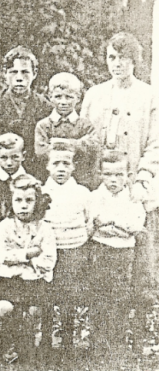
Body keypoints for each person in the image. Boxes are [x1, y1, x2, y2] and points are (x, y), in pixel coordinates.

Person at [80, 32, 159, 335]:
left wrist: (143, 179)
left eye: (123, 58)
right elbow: (85, 138)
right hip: (102, 187)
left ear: (134, 61)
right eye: (112, 57)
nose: (117, 64)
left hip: (137, 188)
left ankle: (136, 334)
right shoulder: (95, 94)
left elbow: (155, 143)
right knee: (102, 265)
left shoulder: (149, 96)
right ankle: (101, 333)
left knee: (140, 268)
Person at [0, 175, 56, 364]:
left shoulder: (45, 229)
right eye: (18, 200)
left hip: (35, 281)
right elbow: (4, 257)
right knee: (4, 308)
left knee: (34, 311)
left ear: (38, 202)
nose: (24, 205)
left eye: (29, 200)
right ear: (10, 202)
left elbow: (48, 261)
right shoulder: (4, 227)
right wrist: (30, 254)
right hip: (10, 282)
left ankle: (27, 347)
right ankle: (7, 344)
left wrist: (23, 260)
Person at [85, 152, 147, 353]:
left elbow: (134, 226)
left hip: (124, 253)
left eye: (119, 175)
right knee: (98, 296)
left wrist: (111, 222)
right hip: (100, 249)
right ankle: (97, 344)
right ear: (100, 174)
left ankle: (117, 343)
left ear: (128, 175)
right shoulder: (93, 197)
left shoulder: (133, 199)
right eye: (108, 174)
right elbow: (92, 226)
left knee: (120, 297)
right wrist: (116, 226)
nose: (113, 180)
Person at [40, 141, 90, 353]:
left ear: (73, 167)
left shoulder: (82, 192)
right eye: (56, 163)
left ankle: (68, 341)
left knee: (69, 296)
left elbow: (89, 221)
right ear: (47, 166)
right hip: (49, 252)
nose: (60, 168)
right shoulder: (41, 192)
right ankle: (45, 342)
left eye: (66, 163)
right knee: (46, 296)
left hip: (74, 251)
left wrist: (78, 241)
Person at [0, 47, 51, 174]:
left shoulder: (46, 107)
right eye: (13, 72)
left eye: (25, 72)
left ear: (34, 73)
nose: (19, 78)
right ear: (5, 73)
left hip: (35, 173)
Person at [34, 72, 97, 187]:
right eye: (58, 97)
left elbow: (93, 145)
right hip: (51, 181)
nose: (63, 102)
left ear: (78, 97)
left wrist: (68, 143)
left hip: (80, 181)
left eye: (69, 97)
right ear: (50, 96)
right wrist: (77, 146)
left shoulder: (85, 125)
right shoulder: (43, 125)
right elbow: (41, 151)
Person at [0, 133, 28, 228]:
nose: (9, 163)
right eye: (4, 157)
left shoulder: (31, 180)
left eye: (15, 157)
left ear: (23, 156)